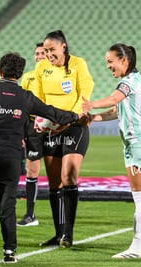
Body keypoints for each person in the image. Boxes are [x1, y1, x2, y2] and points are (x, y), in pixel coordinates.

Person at [0, 52, 82, 263]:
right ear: (21, 74)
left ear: (0, 71)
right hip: (12, 157)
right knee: (7, 204)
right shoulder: (25, 96)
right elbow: (53, 113)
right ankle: (9, 251)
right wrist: (76, 116)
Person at [82, 43, 141, 259]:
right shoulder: (139, 80)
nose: (108, 66)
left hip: (138, 143)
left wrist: (90, 105)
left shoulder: (127, 82)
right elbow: (117, 109)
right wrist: (94, 117)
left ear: (124, 60)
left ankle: (136, 247)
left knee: (140, 195)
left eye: (110, 62)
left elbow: (115, 99)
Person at [31, 30, 94, 248]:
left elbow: (85, 94)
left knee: (69, 176)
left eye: (52, 50)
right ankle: (58, 234)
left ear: (63, 47)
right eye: (45, 51)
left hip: (75, 126)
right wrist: (42, 120)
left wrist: (70, 118)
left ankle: (68, 233)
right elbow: (38, 98)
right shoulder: (41, 68)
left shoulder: (78, 64)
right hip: (51, 128)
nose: (48, 54)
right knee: (54, 183)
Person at [17, 42, 47, 227]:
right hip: (31, 126)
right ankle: (30, 215)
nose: (39, 56)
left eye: (43, 53)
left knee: (58, 172)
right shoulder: (27, 77)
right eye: (37, 53)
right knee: (32, 170)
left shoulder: (56, 76)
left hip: (51, 125)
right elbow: (21, 105)